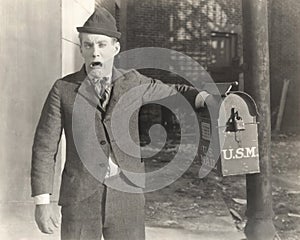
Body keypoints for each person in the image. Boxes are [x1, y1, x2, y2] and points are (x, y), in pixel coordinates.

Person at [31, 7, 210, 240]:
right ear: (82, 49)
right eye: (88, 45)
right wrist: (42, 202)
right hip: (80, 200)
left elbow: (172, 91)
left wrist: (205, 99)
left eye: (102, 45)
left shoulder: (133, 82)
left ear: (116, 48)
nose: (95, 52)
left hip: (127, 198)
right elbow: (44, 147)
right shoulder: (63, 89)